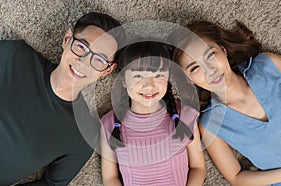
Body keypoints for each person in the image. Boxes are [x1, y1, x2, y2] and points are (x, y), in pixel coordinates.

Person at [0, 12, 124, 185]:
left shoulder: (84, 134)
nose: (84, 62)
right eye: (81, 47)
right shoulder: (16, 56)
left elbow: (52, 184)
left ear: (107, 71)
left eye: (99, 59)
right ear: (67, 39)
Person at [170, 20, 281, 185]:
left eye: (210, 55)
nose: (209, 70)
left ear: (223, 50)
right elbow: (236, 178)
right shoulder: (211, 124)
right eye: (195, 68)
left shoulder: (268, 65)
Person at [100, 39, 206, 186]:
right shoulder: (109, 124)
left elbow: (198, 168)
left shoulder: (185, 115)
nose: (149, 86)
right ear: (123, 79)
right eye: (138, 76)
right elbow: (110, 178)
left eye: (158, 76)